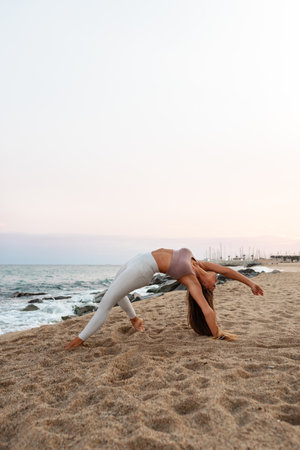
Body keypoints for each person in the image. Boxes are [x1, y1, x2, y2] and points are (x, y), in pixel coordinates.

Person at [65, 248, 264, 349]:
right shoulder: (199, 263)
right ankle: (135, 319)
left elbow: (207, 310)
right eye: (215, 283)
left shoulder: (192, 282)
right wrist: (251, 283)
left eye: (213, 287)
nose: (216, 283)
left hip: (143, 269)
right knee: (115, 291)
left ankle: (78, 340)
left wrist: (218, 333)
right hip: (139, 258)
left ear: (204, 287)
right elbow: (228, 271)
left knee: (106, 303)